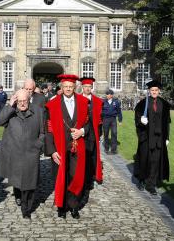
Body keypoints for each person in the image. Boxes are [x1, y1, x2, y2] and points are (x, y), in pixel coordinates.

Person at [45, 74, 91, 219]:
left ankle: (74, 206)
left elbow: (89, 124)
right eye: (65, 86)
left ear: (75, 87)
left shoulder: (84, 102)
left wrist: (82, 131)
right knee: (60, 176)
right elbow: (48, 129)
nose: (68, 89)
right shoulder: (52, 104)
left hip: (79, 146)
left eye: (71, 86)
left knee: (76, 177)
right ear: (61, 87)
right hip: (59, 147)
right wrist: (52, 151)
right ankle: (61, 206)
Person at [0, 89, 45, 219]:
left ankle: (27, 207)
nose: (22, 104)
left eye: (25, 101)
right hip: (15, 153)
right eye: (20, 101)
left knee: (31, 182)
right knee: (19, 182)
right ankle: (23, 203)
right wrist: (9, 105)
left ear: (29, 100)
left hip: (31, 153)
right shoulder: (11, 112)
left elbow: (43, 132)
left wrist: (38, 145)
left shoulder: (38, 112)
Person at [134, 80, 171, 195]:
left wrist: (167, 137)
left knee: (156, 161)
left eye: (156, 90)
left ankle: (151, 184)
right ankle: (141, 180)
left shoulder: (164, 104)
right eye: (152, 90)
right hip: (146, 137)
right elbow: (137, 119)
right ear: (149, 91)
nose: (154, 92)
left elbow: (167, 122)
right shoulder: (142, 103)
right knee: (145, 159)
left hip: (159, 137)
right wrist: (141, 121)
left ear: (159, 91)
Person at [79, 77, 103, 206]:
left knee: (92, 158)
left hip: (93, 134)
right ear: (82, 87)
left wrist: (99, 133)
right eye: (85, 86)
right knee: (82, 158)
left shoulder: (98, 101)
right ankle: (81, 179)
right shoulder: (77, 99)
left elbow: (100, 119)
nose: (87, 88)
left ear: (92, 87)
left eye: (89, 86)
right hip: (81, 134)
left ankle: (89, 181)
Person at [101, 89, 122, 154]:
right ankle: (106, 148)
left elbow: (119, 111)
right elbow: (100, 111)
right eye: (107, 94)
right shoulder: (103, 102)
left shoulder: (116, 102)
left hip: (113, 119)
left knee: (114, 133)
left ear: (112, 95)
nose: (108, 95)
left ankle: (114, 149)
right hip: (105, 119)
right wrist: (101, 120)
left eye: (110, 94)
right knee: (106, 134)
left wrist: (120, 120)